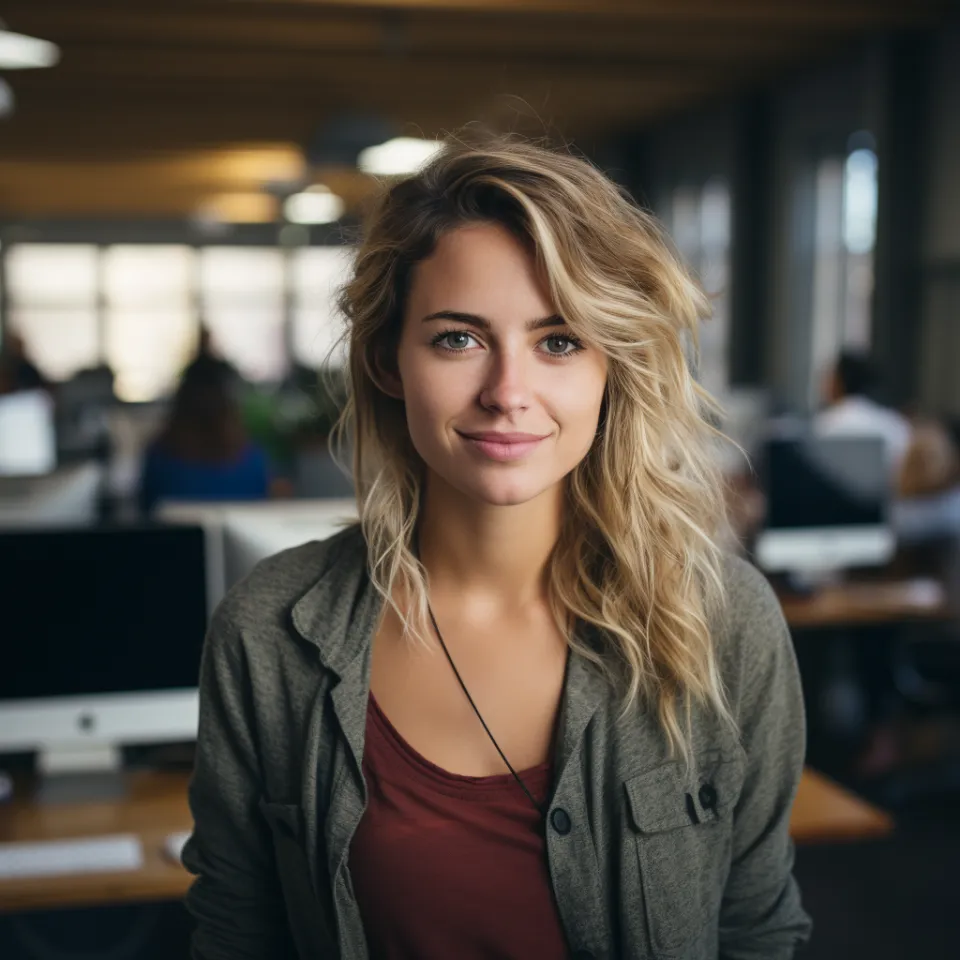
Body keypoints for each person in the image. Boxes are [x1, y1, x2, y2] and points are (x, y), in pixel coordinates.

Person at [182, 135, 811, 960]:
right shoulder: (269, 631)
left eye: (559, 341)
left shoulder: (724, 621)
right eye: (458, 338)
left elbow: (755, 930)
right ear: (386, 361)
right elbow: (237, 932)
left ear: (610, 366)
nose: (509, 393)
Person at [139, 360, 269, 514]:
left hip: (175, 538)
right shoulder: (251, 457)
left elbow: (146, 510)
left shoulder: (159, 457)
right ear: (230, 403)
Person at [815, 350, 911, 479]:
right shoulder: (896, 423)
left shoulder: (828, 423)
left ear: (838, 381)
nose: (823, 384)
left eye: (828, 376)